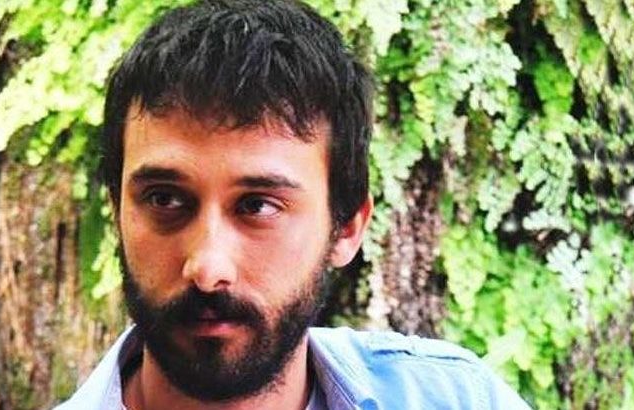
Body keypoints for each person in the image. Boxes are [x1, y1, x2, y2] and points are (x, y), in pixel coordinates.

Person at [57, 0, 530, 409]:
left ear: (346, 228)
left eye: (258, 206)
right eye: (165, 199)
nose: (207, 268)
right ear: (117, 212)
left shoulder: (457, 399)